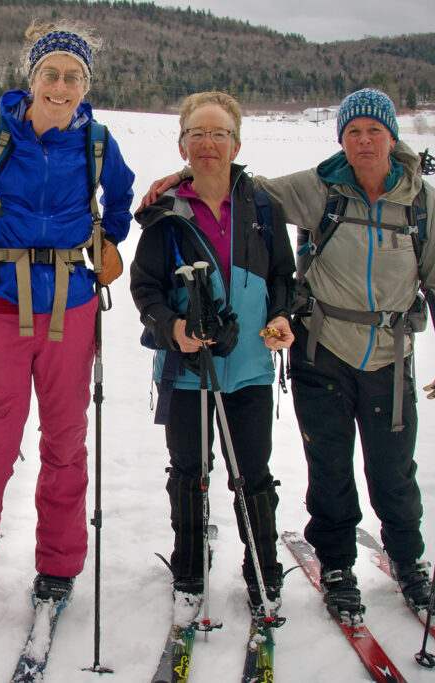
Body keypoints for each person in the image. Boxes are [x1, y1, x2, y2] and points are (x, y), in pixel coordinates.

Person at [143, 88, 435, 622]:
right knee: (328, 466)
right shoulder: (319, 188)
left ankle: (407, 560)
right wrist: (178, 181)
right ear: (341, 139)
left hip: (389, 355)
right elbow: (234, 185)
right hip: (322, 350)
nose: (364, 140)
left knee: (394, 468)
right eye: (353, 132)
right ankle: (337, 564)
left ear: (393, 136)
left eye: (375, 130)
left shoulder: (421, 202)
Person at [0, 21, 134, 603]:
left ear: (84, 86)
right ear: (31, 77)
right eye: (51, 74)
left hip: (73, 305)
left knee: (65, 443)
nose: (60, 86)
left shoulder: (97, 144)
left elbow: (123, 195)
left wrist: (109, 240)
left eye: (73, 77)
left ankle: (59, 565)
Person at [129, 92, 295, 617]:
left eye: (219, 134)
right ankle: (190, 567)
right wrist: (171, 327)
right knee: (189, 470)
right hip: (185, 372)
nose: (208, 144)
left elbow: (283, 279)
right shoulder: (166, 212)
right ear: (182, 144)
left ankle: (263, 568)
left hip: (248, 370)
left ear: (236, 143)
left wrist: (282, 317)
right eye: (197, 135)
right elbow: (144, 288)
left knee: (253, 472)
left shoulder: (264, 206)